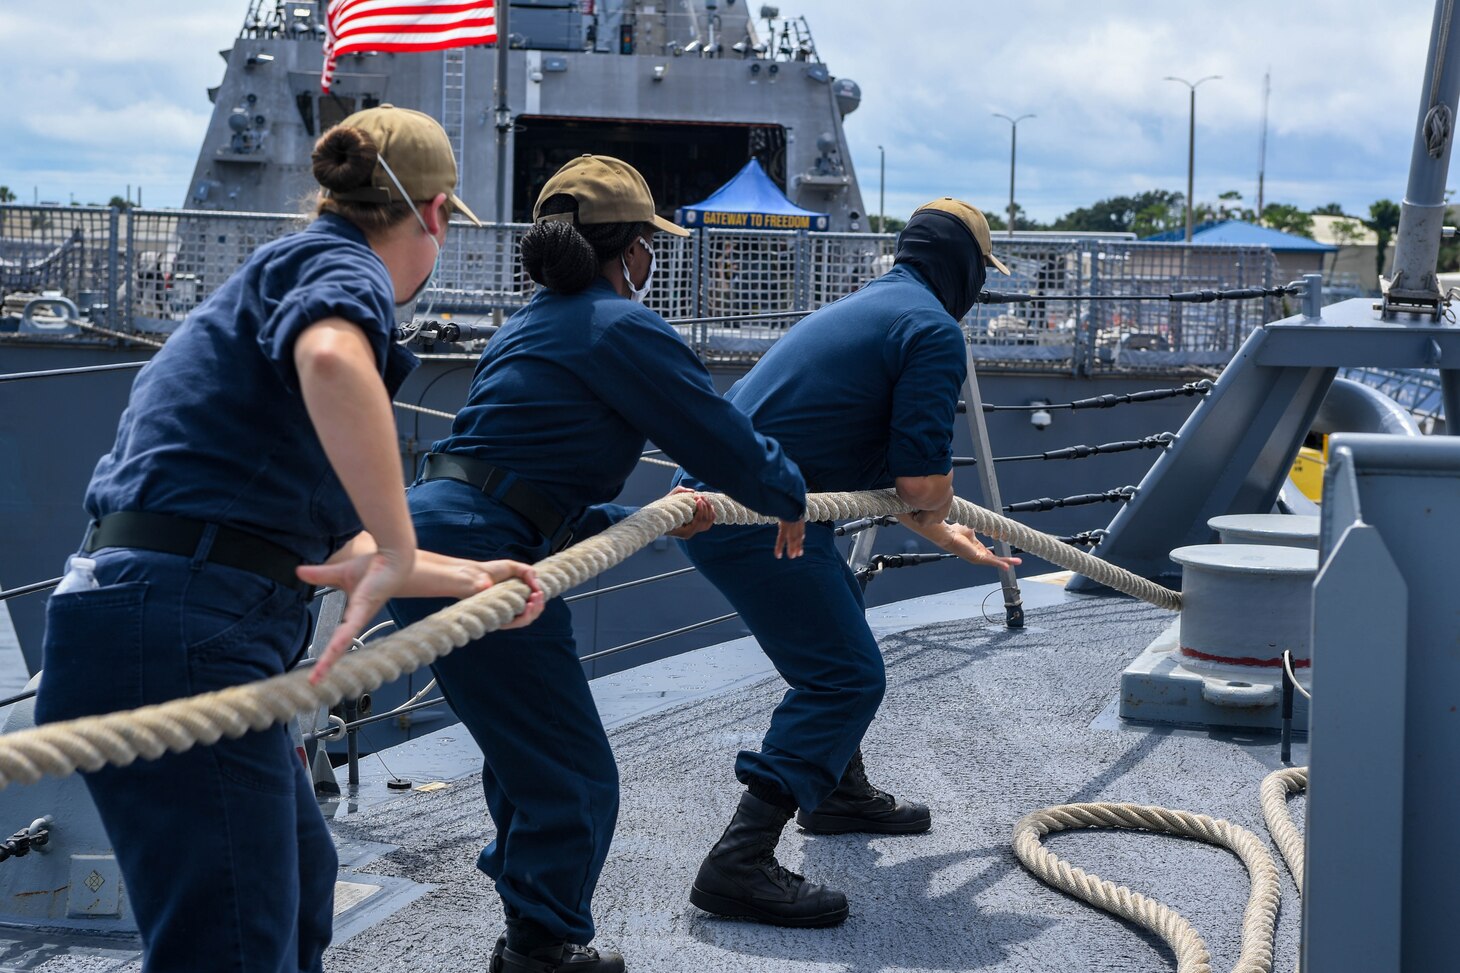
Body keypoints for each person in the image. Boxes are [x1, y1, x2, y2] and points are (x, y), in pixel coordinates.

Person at [34, 105, 545, 973]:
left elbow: (329, 552)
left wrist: (471, 576)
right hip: (185, 628)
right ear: (431, 214)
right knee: (234, 942)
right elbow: (336, 363)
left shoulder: (283, 269)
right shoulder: (339, 266)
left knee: (299, 887)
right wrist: (393, 543)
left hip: (153, 616)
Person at [387, 154, 808, 973]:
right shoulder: (621, 326)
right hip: (483, 549)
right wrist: (787, 492)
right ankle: (541, 950)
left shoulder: (529, 324)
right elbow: (719, 438)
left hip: (444, 534)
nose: (654, 259)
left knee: (529, 759)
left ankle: (531, 933)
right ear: (632, 251)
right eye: (651, 243)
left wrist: (646, 521)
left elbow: (524, 474)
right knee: (575, 773)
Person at [677, 198, 1022, 927]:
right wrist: (941, 512)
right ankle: (738, 859)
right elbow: (923, 487)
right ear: (964, 269)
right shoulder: (930, 328)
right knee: (846, 676)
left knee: (843, 623)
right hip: (752, 519)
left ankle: (834, 790)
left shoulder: (875, 306)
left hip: (742, 506)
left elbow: (892, 486)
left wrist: (956, 538)